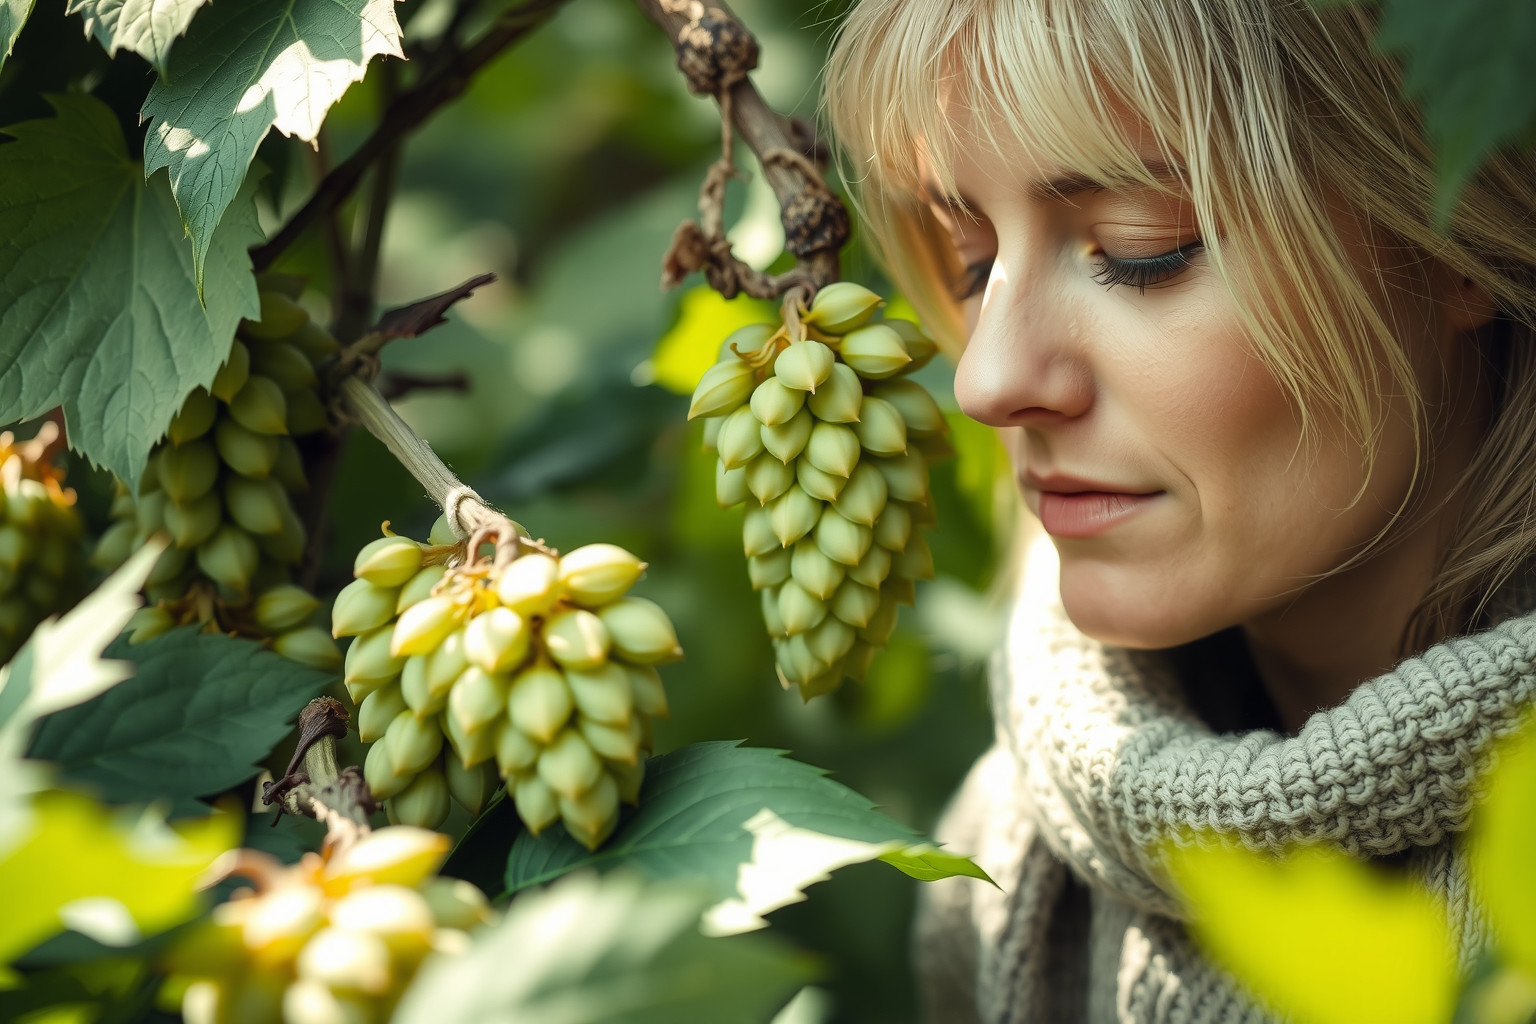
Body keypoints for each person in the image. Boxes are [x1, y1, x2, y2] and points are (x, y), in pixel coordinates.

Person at [822, 1, 1536, 1020]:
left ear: (1452, 226)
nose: (986, 379)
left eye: (1140, 246)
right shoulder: (996, 865)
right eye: (973, 261)